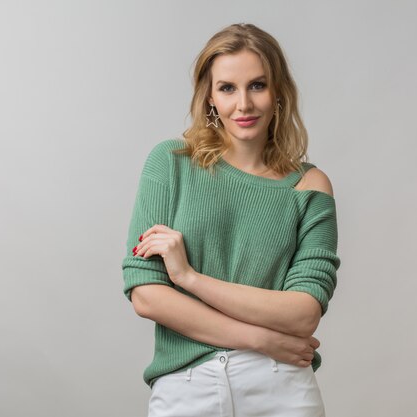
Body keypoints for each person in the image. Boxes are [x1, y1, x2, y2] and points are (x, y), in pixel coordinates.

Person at [121, 23, 341, 417]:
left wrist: (189, 278)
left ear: (279, 94)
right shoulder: (171, 163)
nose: (244, 104)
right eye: (227, 88)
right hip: (187, 386)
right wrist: (260, 338)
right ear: (209, 96)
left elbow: (304, 312)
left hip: (281, 385)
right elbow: (146, 295)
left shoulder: (309, 186)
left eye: (257, 85)